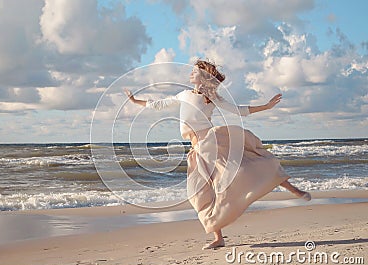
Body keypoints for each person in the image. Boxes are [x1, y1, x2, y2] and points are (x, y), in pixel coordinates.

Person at [124, 59, 311, 250]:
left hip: (213, 142)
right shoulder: (184, 94)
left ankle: (292, 188)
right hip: (197, 150)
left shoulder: (211, 97)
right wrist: (134, 101)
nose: (190, 74)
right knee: (198, 193)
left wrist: (266, 106)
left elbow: (239, 111)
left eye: (195, 71)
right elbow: (159, 104)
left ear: (204, 77)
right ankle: (218, 237)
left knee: (247, 166)